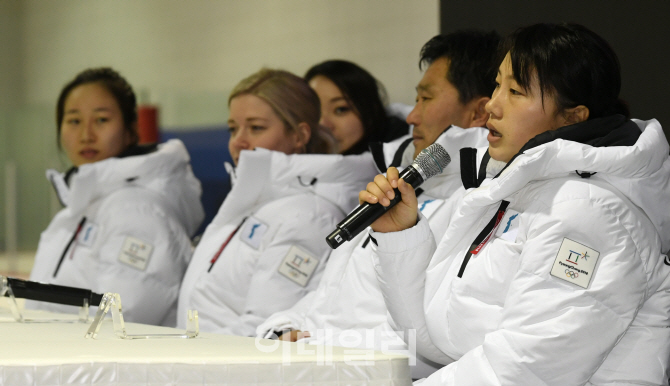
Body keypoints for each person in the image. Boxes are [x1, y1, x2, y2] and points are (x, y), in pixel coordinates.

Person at [363, 23, 670, 384]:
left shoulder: (591, 213)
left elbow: (528, 368)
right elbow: (436, 340)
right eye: (497, 84)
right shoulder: (507, 190)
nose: (492, 104)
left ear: (573, 116)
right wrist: (400, 235)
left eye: (516, 91)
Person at [256, 30, 500, 379]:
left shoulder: (475, 206)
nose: (412, 116)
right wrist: (281, 331)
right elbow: (325, 299)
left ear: (478, 112)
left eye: (426, 99)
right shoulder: (393, 185)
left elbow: (431, 341)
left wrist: (314, 348)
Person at [177, 69, 378, 336]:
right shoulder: (256, 202)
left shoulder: (308, 217)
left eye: (256, 127)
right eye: (233, 129)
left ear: (299, 136)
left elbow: (262, 328)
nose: (238, 142)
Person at [27, 67, 204, 326]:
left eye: (101, 120)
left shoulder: (137, 210)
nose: (86, 135)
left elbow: (119, 319)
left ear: (131, 129)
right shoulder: (73, 214)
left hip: (103, 365)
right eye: (74, 121)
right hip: (59, 361)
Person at [305, 60, 409, 155]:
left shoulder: (405, 155)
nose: (324, 125)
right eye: (314, 111)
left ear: (370, 109)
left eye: (340, 109)